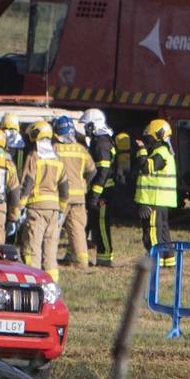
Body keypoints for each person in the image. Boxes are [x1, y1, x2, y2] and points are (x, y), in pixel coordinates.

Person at [20, 121, 67, 272]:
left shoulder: (34, 156)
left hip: (36, 208)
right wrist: (62, 208)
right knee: (50, 250)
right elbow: (65, 186)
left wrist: (20, 205)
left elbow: (28, 181)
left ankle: (33, 281)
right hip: (53, 210)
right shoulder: (57, 158)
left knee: (32, 248)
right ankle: (51, 284)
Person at [134, 118, 179, 265]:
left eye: (150, 138)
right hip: (159, 200)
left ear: (158, 136)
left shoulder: (161, 153)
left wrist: (140, 151)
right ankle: (168, 260)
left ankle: (155, 261)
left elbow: (147, 167)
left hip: (155, 200)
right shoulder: (163, 151)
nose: (148, 141)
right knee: (163, 233)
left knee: (152, 232)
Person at [53, 116, 92, 268]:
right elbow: (91, 170)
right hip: (79, 197)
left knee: (53, 229)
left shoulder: (55, 148)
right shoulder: (82, 149)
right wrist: (84, 184)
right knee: (77, 230)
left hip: (59, 196)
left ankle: (48, 259)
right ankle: (82, 262)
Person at [84, 110, 118, 266]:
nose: (86, 129)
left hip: (104, 192)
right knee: (97, 224)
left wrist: (95, 195)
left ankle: (105, 258)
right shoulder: (101, 140)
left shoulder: (101, 143)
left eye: (87, 126)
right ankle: (102, 256)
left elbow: (103, 172)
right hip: (103, 190)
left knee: (102, 224)